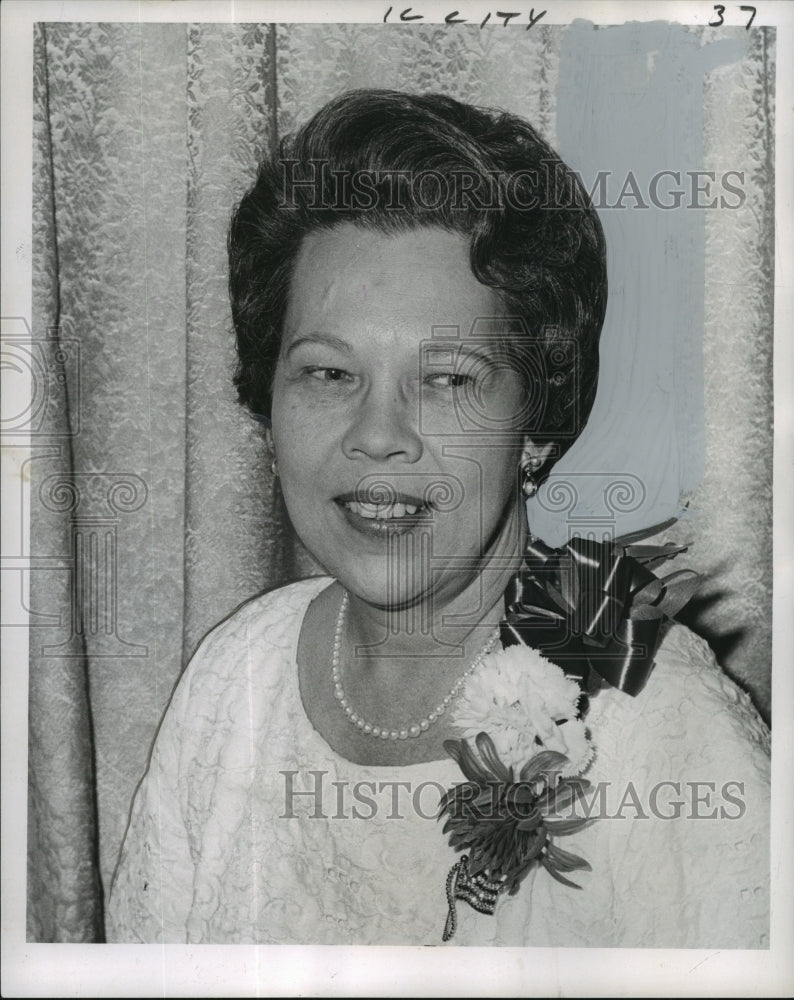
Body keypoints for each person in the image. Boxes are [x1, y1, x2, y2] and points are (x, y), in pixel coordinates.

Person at [106, 90, 770, 947]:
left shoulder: (658, 722)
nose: (378, 437)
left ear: (535, 419)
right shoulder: (234, 680)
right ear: (269, 408)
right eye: (327, 374)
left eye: (448, 379)